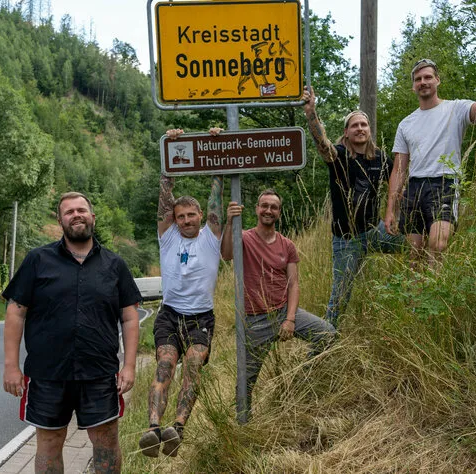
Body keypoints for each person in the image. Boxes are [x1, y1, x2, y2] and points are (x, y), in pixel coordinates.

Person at [2, 192, 141, 474]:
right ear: (60, 221)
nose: (76, 215)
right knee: (50, 441)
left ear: (92, 217)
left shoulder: (115, 265)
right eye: (69, 212)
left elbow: (129, 317)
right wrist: (10, 366)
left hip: (100, 373)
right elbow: (15, 312)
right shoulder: (37, 260)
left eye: (81, 210)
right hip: (47, 373)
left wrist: (129, 366)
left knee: (106, 441)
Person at [139, 128, 224, 458]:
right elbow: (165, 192)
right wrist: (170, 150)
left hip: (201, 315)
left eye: (191, 215)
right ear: (173, 220)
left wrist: (216, 150)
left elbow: (216, 192)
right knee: (164, 366)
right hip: (170, 313)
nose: (186, 220)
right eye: (180, 216)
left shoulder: (210, 236)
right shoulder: (168, 236)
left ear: (201, 216)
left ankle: (178, 426)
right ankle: (153, 428)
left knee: (192, 365)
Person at [388, 59, 476, 267]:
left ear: (437, 80)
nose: (423, 82)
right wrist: (390, 209)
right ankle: (415, 299)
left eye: (428, 77)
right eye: (418, 79)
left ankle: (435, 293)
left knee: (437, 244)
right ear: (413, 85)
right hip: (414, 188)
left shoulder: (456, 109)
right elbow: (398, 169)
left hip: (444, 183)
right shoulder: (406, 124)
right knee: (414, 254)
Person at [301, 87, 407, 328]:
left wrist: (398, 214)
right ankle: (322, 348)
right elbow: (322, 145)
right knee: (339, 300)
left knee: (415, 242)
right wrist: (311, 113)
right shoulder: (338, 156)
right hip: (346, 239)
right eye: (355, 125)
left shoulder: (379, 158)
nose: (360, 128)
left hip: (374, 231)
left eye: (364, 125)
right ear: (346, 133)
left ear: (369, 130)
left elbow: (398, 181)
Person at [222, 190, 336, 413]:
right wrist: (229, 223)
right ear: (256, 209)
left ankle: (301, 383)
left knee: (328, 335)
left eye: (273, 207)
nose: (268, 210)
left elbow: (293, 284)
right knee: (246, 380)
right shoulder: (244, 238)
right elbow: (226, 255)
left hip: (283, 311)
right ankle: (243, 421)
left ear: (279, 213)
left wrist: (291, 320)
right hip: (255, 319)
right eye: (264, 205)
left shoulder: (287, 245)